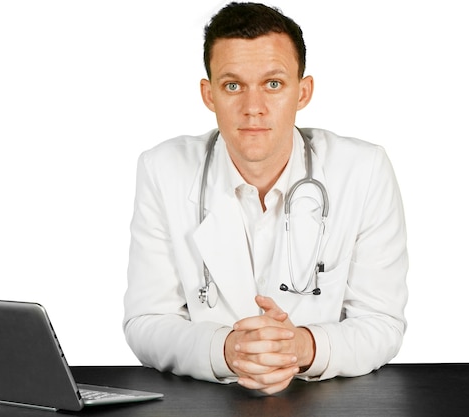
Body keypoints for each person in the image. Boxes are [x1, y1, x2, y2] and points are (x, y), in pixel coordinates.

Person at [123, 2, 408, 395]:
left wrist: (301, 347)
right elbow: (146, 321)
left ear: (303, 91)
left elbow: (382, 323)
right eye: (233, 85)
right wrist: (227, 349)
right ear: (209, 94)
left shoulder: (363, 170)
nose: (252, 108)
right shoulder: (162, 169)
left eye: (273, 84)